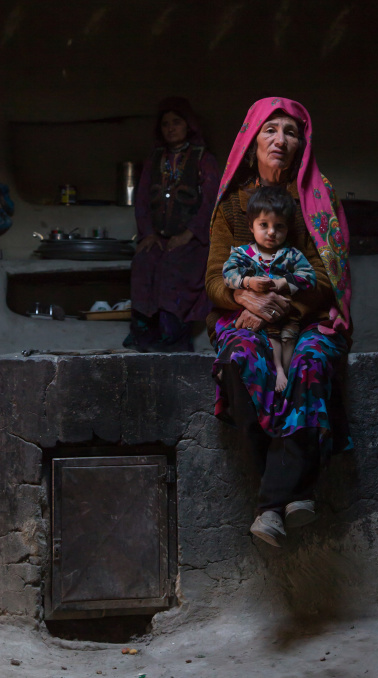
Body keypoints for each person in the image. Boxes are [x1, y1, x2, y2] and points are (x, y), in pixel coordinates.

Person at [206, 97, 352, 548]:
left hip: (303, 318)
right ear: (252, 143)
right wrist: (241, 297)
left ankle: (271, 505)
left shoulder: (316, 199)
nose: (280, 140)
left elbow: (327, 278)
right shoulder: (233, 205)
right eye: (270, 130)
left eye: (291, 131)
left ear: (300, 145)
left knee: (310, 364)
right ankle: (295, 495)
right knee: (243, 360)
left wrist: (280, 308)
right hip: (243, 318)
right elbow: (213, 278)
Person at [124, 97, 220, 352]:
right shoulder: (154, 159)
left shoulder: (204, 159)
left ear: (188, 125)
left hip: (193, 239)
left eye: (176, 122)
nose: (170, 128)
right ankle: (143, 338)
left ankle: (173, 339)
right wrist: (147, 234)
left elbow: (211, 201)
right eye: (165, 123)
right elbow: (142, 200)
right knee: (144, 261)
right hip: (159, 236)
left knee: (173, 267)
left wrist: (188, 234)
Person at [222, 185, 316, 392]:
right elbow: (227, 275)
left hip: (287, 312)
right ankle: (277, 371)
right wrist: (248, 283)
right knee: (266, 337)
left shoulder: (291, 255)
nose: (271, 232)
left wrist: (284, 283)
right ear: (251, 226)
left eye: (279, 226)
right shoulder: (242, 254)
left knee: (290, 334)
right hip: (256, 314)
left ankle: (288, 372)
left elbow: (309, 276)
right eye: (264, 225)